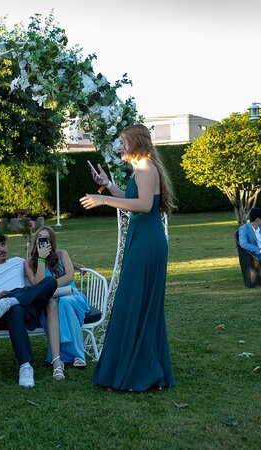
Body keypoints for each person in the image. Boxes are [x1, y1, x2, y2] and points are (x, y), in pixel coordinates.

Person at [80, 124, 176, 392]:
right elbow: (130, 200)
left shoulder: (145, 166)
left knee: (134, 302)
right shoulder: (142, 167)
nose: (119, 146)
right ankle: (137, 367)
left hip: (147, 242)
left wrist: (102, 200)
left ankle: (139, 372)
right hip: (142, 238)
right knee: (135, 301)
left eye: (123, 141)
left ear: (135, 142)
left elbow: (144, 206)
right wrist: (108, 185)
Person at [0, 232, 58, 387]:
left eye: (3, 245)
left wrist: (74, 265)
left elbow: (42, 271)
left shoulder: (18, 261)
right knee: (15, 308)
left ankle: (13, 300)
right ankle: (25, 366)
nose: (2, 249)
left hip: (24, 305)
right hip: (0, 307)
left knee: (50, 282)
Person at [25, 226, 91, 370]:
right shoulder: (29, 263)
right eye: (40, 238)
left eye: (47, 239)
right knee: (57, 304)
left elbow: (69, 277)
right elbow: (38, 284)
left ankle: (77, 354)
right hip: (50, 302)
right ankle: (72, 354)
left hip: (71, 295)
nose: (43, 241)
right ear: (36, 241)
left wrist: (49, 287)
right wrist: (41, 259)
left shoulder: (62, 254)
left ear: (52, 242)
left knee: (65, 302)